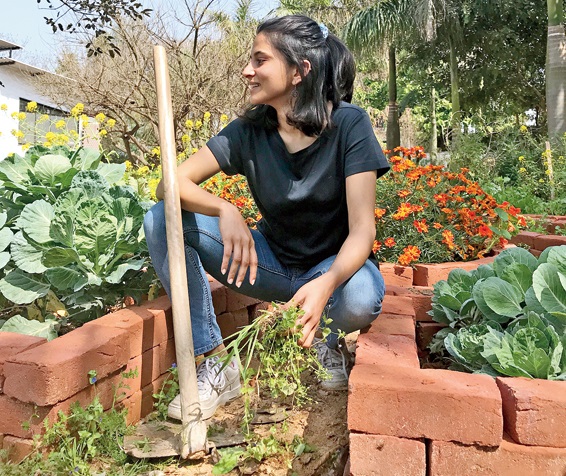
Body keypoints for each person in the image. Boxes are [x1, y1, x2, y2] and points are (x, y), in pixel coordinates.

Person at [143, 14, 390, 421]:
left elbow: (363, 230)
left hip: (335, 271)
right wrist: (224, 208)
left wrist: (326, 283)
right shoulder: (249, 130)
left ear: (298, 71)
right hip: (270, 266)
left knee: (362, 298)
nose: (247, 71)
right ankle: (218, 364)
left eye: (260, 60)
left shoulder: (349, 124)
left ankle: (328, 341)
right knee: (160, 220)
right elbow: (169, 184)